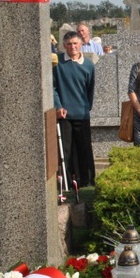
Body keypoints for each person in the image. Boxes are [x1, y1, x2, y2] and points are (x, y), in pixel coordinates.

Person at [53, 31, 96, 187]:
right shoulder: (57, 63)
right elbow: (53, 87)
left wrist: (86, 108)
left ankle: (88, 181)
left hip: (82, 113)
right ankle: (67, 182)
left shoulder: (88, 65)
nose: (72, 47)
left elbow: (89, 89)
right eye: (69, 44)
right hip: (64, 115)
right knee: (66, 151)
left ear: (81, 44)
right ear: (64, 46)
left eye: (75, 43)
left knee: (85, 149)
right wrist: (58, 106)